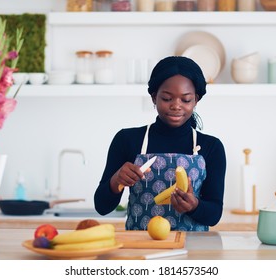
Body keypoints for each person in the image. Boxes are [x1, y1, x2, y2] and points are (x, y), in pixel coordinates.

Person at [94, 56, 226, 231]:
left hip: (192, 250)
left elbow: (214, 214)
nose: (176, 106)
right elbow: (102, 207)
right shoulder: (127, 139)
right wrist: (115, 181)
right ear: (154, 97)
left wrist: (194, 206)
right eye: (167, 98)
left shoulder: (212, 146)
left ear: (196, 100)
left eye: (185, 100)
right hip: (141, 249)